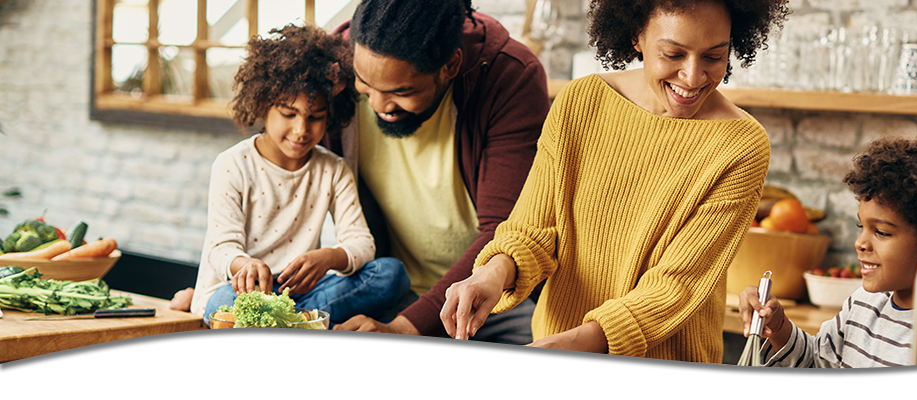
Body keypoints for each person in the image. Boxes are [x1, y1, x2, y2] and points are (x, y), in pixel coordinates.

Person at [440, 0, 786, 369]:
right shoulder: (581, 103)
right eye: (673, 53)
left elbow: (676, 287)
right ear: (637, 35)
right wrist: (491, 275)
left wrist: (567, 347)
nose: (692, 76)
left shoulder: (741, 144)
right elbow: (533, 229)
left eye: (714, 57)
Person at [322, 0, 550, 366]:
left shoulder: (509, 76)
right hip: (387, 290)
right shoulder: (332, 67)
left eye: (401, 91)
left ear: (450, 67)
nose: (380, 104)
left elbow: (503, 229)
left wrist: (407, 330)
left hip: (492, 300)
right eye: (364, 83)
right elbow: (281, 183)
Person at [186, 24, 411, 326]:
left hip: (305, 295)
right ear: (263, 104)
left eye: (315, 117)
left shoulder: (333, 169)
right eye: (288, 114)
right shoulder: (232, 164)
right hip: (243, 294)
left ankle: (288, 329)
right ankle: (311, 329)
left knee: (390, 275)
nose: (302, 130)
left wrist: (329, 258)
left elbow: (362, 243)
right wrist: (247, 265)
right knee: (220, 304)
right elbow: (221, 247)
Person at [738, 136, 917, 368]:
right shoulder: (864, 304)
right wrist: (779, 324)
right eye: (862, 226)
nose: (861, 243)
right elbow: (817, 361)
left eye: (881, 232)